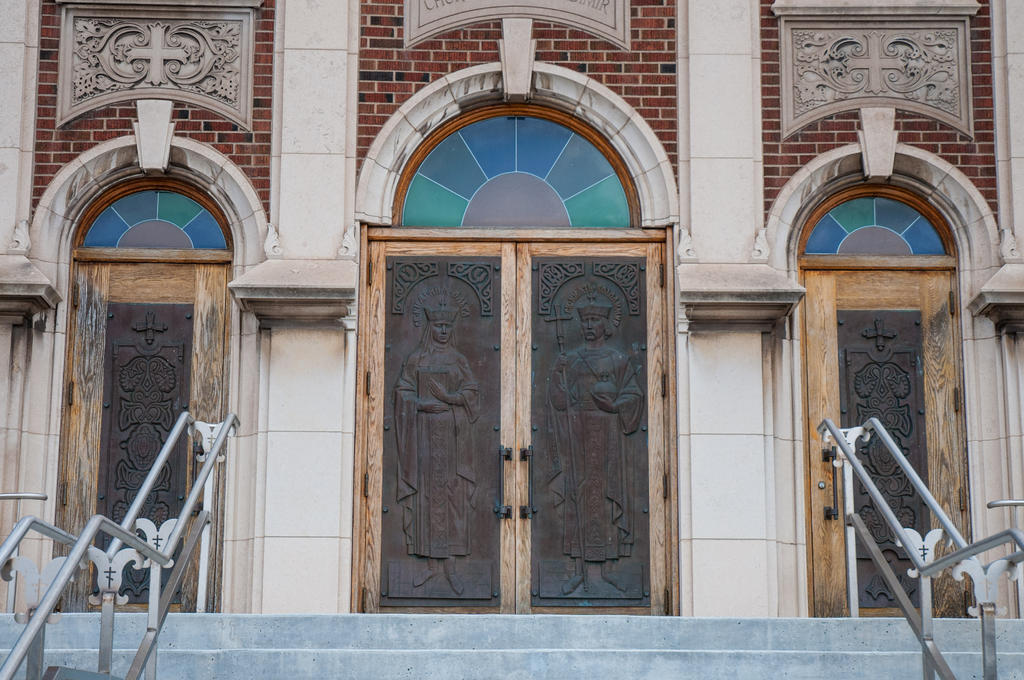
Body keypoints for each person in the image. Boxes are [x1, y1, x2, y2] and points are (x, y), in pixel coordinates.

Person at [548, 292, 643, 594]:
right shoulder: (572, 360)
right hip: (577, 435)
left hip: (607, 437)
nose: (589, 325)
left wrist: (614, 406)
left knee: (604, 497)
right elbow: (559, 402)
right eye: (586, 320)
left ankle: (604, 570)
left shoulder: (618, 359)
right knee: (578, 496)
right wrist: (556, 374)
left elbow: (633, 395)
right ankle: (579, 570)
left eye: (595, 320)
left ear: (606, 324)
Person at [394, 294, 478, 594]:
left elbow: (472, 393)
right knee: (427, 498)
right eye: (438, 326)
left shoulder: (459, 360)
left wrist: (450, 398)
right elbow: (402, 392)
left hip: (454, 438)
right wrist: (420, 404)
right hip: (425, 437)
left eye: (447, 326)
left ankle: (452, 567)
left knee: (453, 498)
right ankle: (430, 566)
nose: (443, 331)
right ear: (430, 327)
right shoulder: (416, 359)